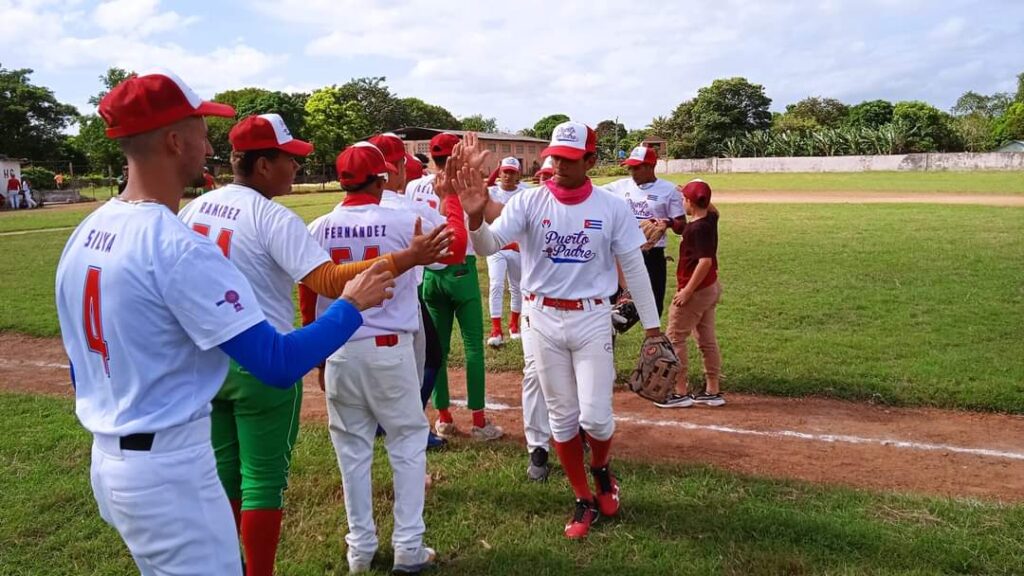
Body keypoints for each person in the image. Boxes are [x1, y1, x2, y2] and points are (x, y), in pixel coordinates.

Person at [54, 69, 395, 576]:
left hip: (112, 456)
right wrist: (350, 305)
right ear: (173, 141)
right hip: (168, 470)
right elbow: (276, 363)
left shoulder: (87, 230)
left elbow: (79, 364)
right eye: (199, 127)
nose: (209, 141)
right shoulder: (174, 243)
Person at [178, 115, 449, 576]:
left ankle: (330, 553)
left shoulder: (197, 208)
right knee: (265, 480)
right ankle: (397, 548)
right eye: (289, 158)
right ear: (263, 164)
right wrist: (408, 258)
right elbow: (324, 279)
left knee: (228, 473)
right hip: (267, 354)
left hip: (206, 359)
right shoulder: (271, 215)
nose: (297, 168)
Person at [453, 121, 664, 538]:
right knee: (563, 419)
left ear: (590, 160)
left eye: (569, 159)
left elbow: (635, 266)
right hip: (541, 318)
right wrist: (475, 218)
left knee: (597, 419)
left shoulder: (611, 206)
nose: (557, 164)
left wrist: (654, 329)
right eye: (554, 157)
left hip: (591, 318)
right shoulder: (530, 202)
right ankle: (583, 497)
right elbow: (489, 247)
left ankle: (601, 468)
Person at [304, 142, 443, 574]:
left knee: (352, 450)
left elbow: (308, 291)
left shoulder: (318, 226)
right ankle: (408, 548)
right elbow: (452, 251)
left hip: (339, 346)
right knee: (405, 443)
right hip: (389, 348)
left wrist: (319, 354)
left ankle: (360, 551)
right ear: (381, 178)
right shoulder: (404, 217)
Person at [367, 133, 468, 451]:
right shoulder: (408, 211)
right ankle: (408, 423)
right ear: (395, 168)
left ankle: (377, 422)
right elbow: (452, 251)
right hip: (402, 300)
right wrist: (450, 199)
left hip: (357, 302)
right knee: (429, 356)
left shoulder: (335, 215)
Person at [406, 133, 503, 441]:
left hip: (430, 273)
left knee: (438, 350)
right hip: (461, 269)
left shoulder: (413, 186)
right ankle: (478, 420)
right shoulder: (466, 181)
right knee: (473, 346)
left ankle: (444, 417)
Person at [655, 179, 725, 409]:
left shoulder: (696, 228)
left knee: (675, 338)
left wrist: (687, 291)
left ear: (690, 203)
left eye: (684, 199)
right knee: (706, 339)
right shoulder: (710, 218)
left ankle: (679, 391)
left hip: (696, 291)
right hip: (710, 288)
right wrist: (693, 190)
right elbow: (710, 207)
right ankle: (712, 390)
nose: (681, 202)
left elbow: (704, 262)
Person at [604, 145, 685, 318]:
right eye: (630, 167)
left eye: (637, 167)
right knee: (610, 306)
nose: (632, 172)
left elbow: (681, 224)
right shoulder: (620, 186)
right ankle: (609, 338)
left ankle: (651, 342)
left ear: (651, 166)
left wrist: (668, 222)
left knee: (653, 308)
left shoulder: (668, 190)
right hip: (623, 252)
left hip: (652, 254)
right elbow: (591, 190)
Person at [485, 157, 528, 347]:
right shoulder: (491, 191)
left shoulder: (525, 192)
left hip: (517, 247)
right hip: (496, 247)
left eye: (512, 172)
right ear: (499, 172)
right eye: (505, 171)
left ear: (518, 174)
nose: (508, 176)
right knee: (496, 284)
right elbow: (482, 188)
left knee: (516, 286)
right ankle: (496, 328)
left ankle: (514, 325)